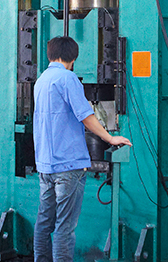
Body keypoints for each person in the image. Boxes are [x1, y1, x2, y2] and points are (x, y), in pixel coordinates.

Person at [33, 36, 132, 262]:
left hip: (46, 165)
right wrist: (110, 138)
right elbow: (86, 116)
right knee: (64, 226)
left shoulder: (41, 80)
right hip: (68, 165)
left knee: (44, 222)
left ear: (50, 54)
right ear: (73, 58)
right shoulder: (68, 78)